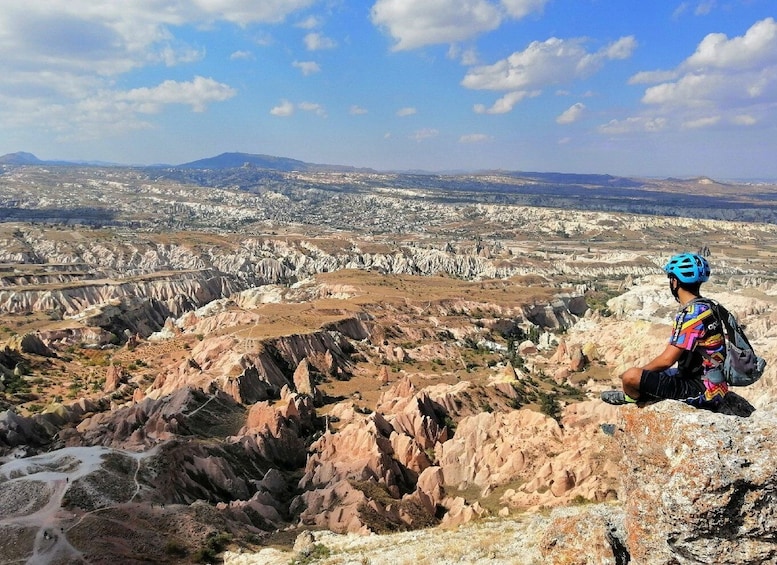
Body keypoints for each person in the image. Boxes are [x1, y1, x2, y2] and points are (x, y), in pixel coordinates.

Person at [601, 252, 728, 409]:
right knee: (654, 376)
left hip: (702, 391)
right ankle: (636, 394)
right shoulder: (708, 306)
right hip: (713, 381)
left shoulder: (691, 315)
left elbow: (667, 360)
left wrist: (635, 373)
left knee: (631, 377)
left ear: (675, 282)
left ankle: (633, 398)